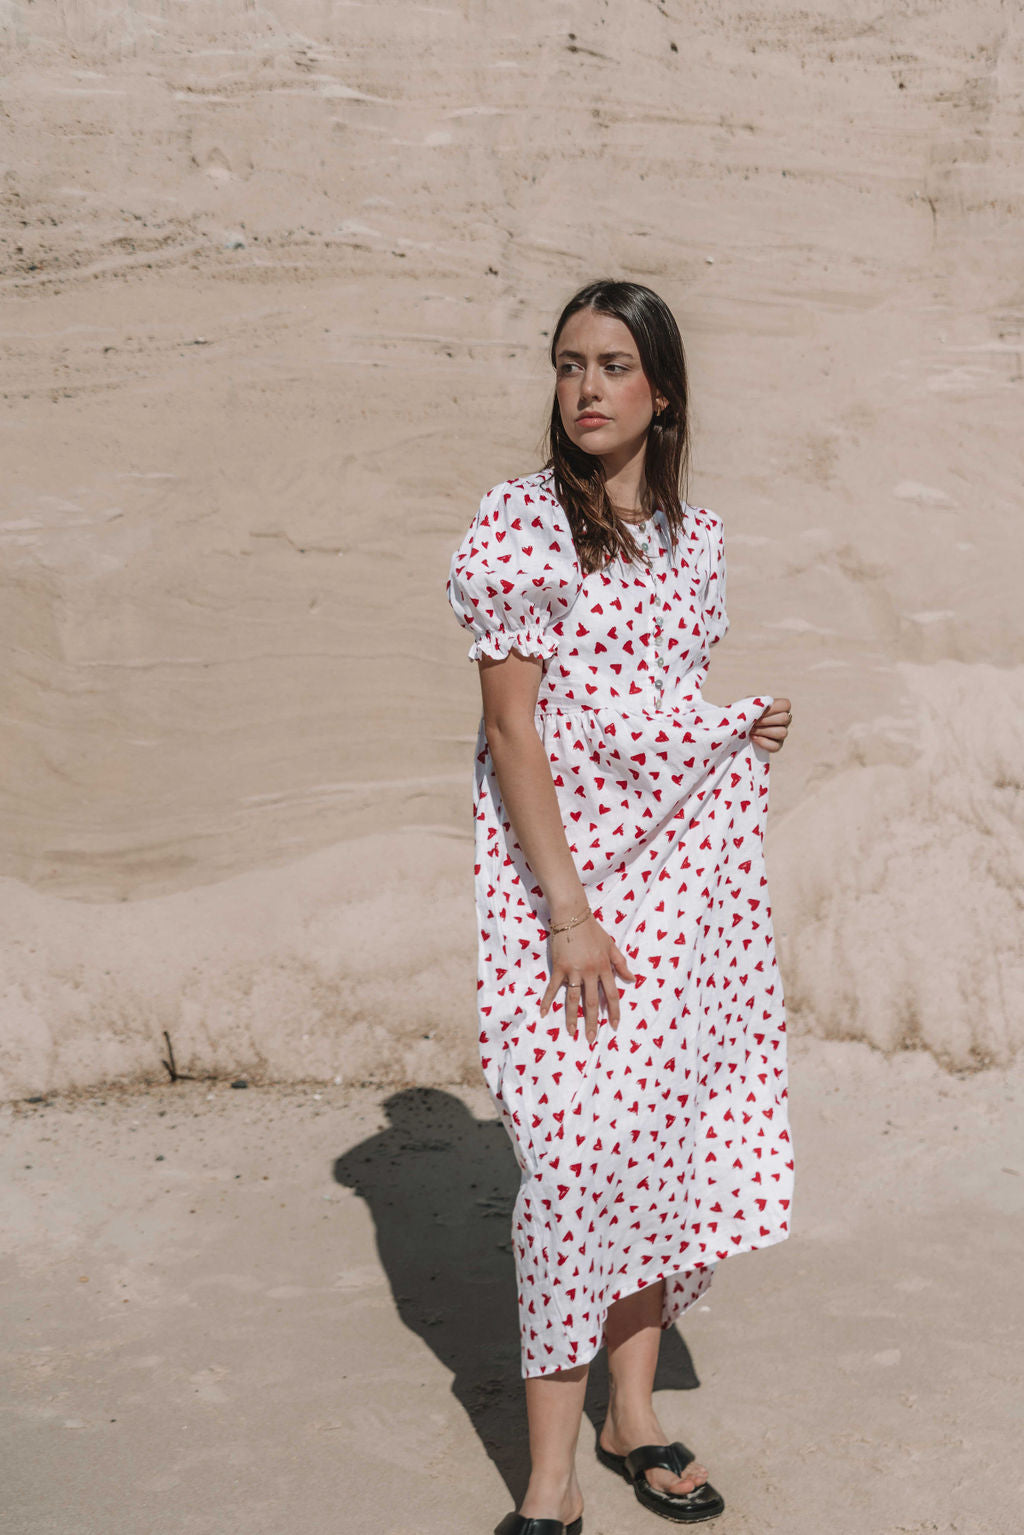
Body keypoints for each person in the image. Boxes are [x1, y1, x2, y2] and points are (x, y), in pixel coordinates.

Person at [446, 279, 794, 1535]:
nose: (585, 387)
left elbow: (657, 712)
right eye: (565, 364)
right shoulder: (521, 525)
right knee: (570, 1163)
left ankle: (631, 1413)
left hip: (674, 889)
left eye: (611, 364)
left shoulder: (694, 540)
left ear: (662, 390)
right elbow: (511, 725)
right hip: (559, 894)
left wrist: (738, 729)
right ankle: (548, 1480)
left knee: (659, 1137)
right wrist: (567, 911)